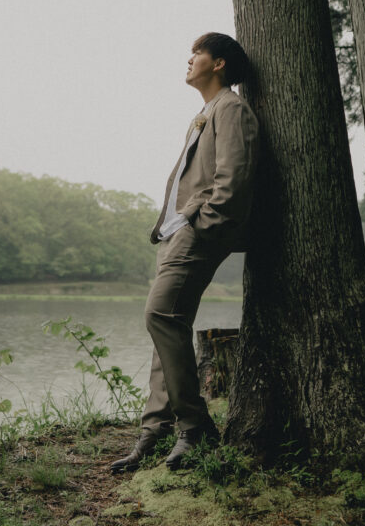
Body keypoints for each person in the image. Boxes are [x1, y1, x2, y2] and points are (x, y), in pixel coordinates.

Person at [110, 32, 259, 473]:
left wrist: (200, 226)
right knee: (167, 331)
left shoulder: (231, 108)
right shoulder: (204, 113)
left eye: (197, 52)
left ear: (219, 64)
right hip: (176, 234)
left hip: (197, 231)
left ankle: (194, 428)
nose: (189, 58)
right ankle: (155, 429)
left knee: (160, 315)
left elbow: (233, 180)